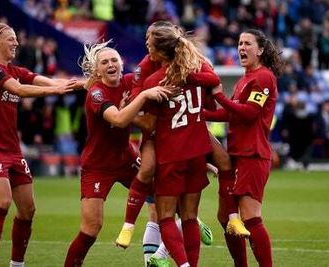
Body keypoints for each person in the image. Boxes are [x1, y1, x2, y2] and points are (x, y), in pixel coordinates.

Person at [0, 17, 82, 267]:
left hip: (11, 147)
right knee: (3, 201)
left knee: (28, 210)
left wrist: (80, 84)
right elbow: (19, 90)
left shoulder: (14, 70)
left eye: (17, 40)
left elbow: (45, 80)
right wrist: (55, 91)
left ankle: (16, 264)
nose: (16, 43)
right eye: (11, 39)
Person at [63, 40, 175, 267]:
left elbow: (153, 65)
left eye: (114, 60)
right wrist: (143, 97)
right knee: (91, 229)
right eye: (104, 62)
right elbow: (119, 119)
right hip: (97, 166)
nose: (111, 64)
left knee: (162, 200)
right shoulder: (96, 93)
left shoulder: (129, 82)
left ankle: (153, 261)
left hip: (126, 159)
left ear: (122, 64)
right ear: (97, 70)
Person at [203, 29, 284, 267]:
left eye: (247, 43)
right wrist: (198, 113)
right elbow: (230, 113)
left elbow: (249, 114)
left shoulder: (264, 77)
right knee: (225, 217)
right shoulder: (244, 79)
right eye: (239, 43)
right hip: (236, 155)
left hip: (253, 154)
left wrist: (218, 96)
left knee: (250, 216)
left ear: (260, 50)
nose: (241, 47)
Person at [141, 23, 220, 267]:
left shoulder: (155, 82)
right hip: (197, 154)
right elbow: (212, 106)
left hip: (171, 156)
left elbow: (149, 125)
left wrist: (126, 112)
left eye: (150, 43)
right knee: (190, 217)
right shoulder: (196, 73)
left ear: (161, 51)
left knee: (165, 217)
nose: (147, 46)